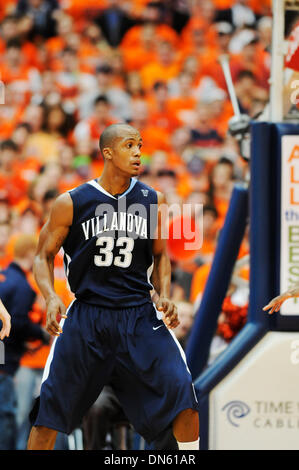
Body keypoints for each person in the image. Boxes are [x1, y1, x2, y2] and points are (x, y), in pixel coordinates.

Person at [27, 123, 199, 451]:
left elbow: (161, 256)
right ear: (108, 153)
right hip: (87, 316)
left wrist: (163, 294)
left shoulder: (153, 200)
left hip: (138, 313)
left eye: (140, 145)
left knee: (184, 394)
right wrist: (50, 297)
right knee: (48, 413)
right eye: (129, 145)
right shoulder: (71, 202)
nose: (138, 152)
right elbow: (42, 256)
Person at [0, 234, 50, 450]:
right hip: (5, 359)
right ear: (31, 254)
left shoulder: (3, 276)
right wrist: (40, 333)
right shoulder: (22, 286)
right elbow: (17, 322)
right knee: (7, 415)